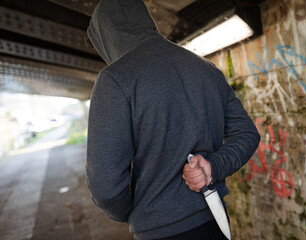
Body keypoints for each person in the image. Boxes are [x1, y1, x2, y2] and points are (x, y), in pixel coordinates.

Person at [85, 0, 260, 239]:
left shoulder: (114, 80)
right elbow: (247, 134)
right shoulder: (206, 69)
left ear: (105, 37)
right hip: (214, 218)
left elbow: (106, 187)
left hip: (160, 232)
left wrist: (136, 210)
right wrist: (214, 166)